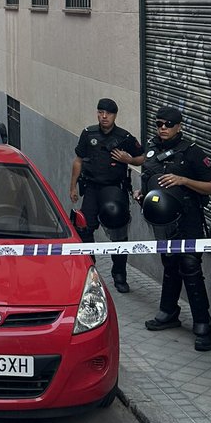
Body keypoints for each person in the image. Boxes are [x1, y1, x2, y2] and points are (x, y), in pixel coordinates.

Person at [141, 105, 211, 351]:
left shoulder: (192, 152)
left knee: (191, 268)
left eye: (168, 125)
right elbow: (148, 179)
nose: (163, 128)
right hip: (164, 223)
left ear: (179, 126)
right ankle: (168, 311)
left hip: (189, 220)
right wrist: (140, 194)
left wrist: (183, 180)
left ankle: (203, 324)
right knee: (170, 265)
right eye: (159, 124)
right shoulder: (151, 150)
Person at [69, 99, 144, 294]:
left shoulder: (124, 137)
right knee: (84, 228)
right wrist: (73, 187)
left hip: (114, 188)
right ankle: (89, 272)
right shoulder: (88, 133)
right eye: (101, 112)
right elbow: (78, 160)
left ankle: (119, 274)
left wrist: (130, 160)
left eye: (108, 113)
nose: (104, 116)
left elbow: (144, 157)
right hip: (92, 188)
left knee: (118, 230)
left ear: (115, 115)